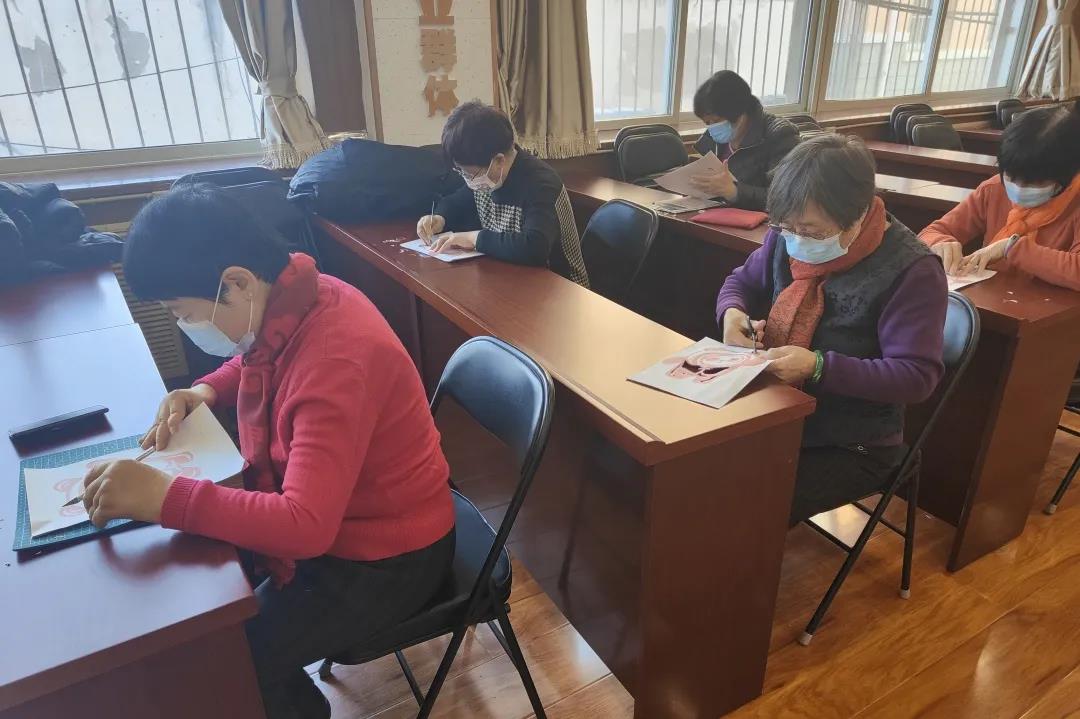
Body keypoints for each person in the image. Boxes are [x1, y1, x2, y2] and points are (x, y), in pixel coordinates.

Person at [87, 184, 456, 719]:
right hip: (351, 520)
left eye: (182, 313)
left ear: (236, 282)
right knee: (210, 607)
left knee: (232, 660)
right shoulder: (298, 295)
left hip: (388, 556)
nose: (184, 327)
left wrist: (166, 498)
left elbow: (305, 527)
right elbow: (259, 356)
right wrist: (205, 390)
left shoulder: (334, 360)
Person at [715, 134, 948, 526]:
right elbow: (740, 281)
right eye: (785, 227)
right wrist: (732, 314)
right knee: (694, 468)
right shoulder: (787, 232)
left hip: (852, 441)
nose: (796, 239)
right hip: (779, 408)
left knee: (745, 503)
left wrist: (818, 366)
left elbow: (917, 377)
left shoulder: (912, 271)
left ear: (858, 214)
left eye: (812, 232)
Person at [416, 101, 590, 287]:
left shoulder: (541, 184)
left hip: (561, 287)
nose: (467, 179)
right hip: (514, 277)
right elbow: (457, 201)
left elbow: (535, 247)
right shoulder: (485, 177)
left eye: (469, 173)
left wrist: (474, 238)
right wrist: (439, 217)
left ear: (498, 160)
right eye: (461, 172)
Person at [919, 99, 1080, 291]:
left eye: (1034, 181)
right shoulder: (994, 189)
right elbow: (930, 233)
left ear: (1068, 175)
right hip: (995, 298)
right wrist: (940, 243)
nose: (1019, 188)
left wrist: (1011, 248)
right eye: (1011, 176)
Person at [688, 70, 801, 211]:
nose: (712, 128)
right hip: (717, 213)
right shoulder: (714, 137)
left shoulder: (781, 136)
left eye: (716, 121)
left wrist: (734, 192)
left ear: (740, 113)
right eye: (707, 123)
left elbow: (786, 198)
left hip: (758, 221)